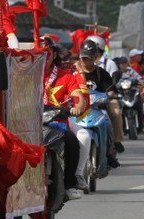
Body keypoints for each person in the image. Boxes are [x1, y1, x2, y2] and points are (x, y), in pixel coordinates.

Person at [41, 37, 89, 198]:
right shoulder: (26, 74)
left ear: (54, 55)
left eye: (46, 53)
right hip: (31, 122)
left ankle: (70, 183)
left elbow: (77, 96)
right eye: (38, 53)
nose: (43, 57)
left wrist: (78, 106)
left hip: (58, 121)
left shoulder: (66, 75)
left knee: (73, 141)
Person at [74, 39, 124, 165]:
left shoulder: (101, 73)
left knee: (108, 121)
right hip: (78, 108)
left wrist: (107, 97)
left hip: (98, 107)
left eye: (89, 59)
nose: (86, 62)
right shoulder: (73, 72)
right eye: (84, 58)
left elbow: (111, 91)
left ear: (95, 58)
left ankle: (110, 151)